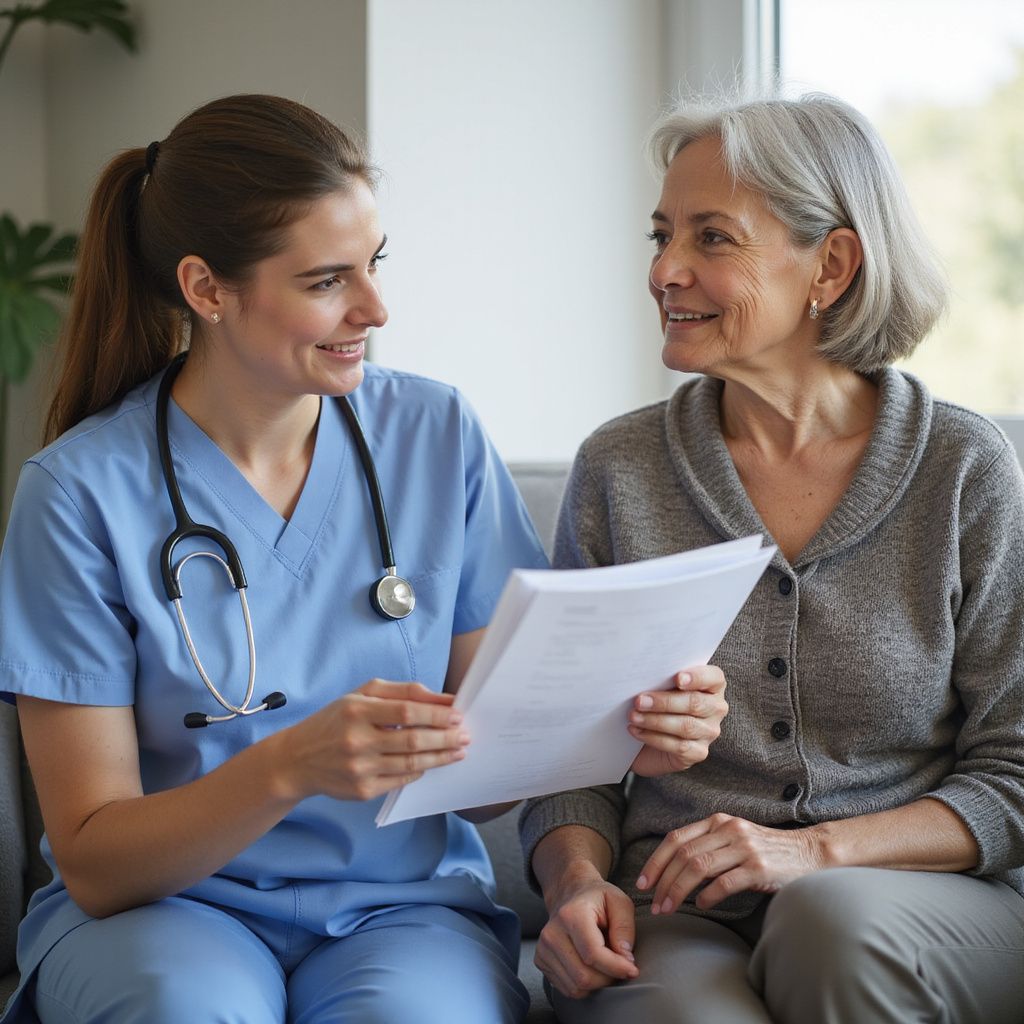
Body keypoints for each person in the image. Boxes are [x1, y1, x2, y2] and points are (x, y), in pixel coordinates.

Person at [0, 93, 729, 1024]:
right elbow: (96, 863)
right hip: (164, 911)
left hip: (403, 911)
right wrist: (287, 768)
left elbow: (494, 771)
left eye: (374, 265)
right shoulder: (78, 494)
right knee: (186, 1010)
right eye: (325, 281)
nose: (375, 308)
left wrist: (628, 720)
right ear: (206, 289)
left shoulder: (435, 435)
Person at [520, 92, 1024, 1024]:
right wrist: (575, 886)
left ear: (830, 264)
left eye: (713, 238)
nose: (665, 270)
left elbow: (1017, 774)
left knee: (828, 926)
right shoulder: (619, 471)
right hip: (681, 911)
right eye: (661, 234)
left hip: (922, 902)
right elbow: (568, 763)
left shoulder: (965, 470)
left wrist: (817, 853)